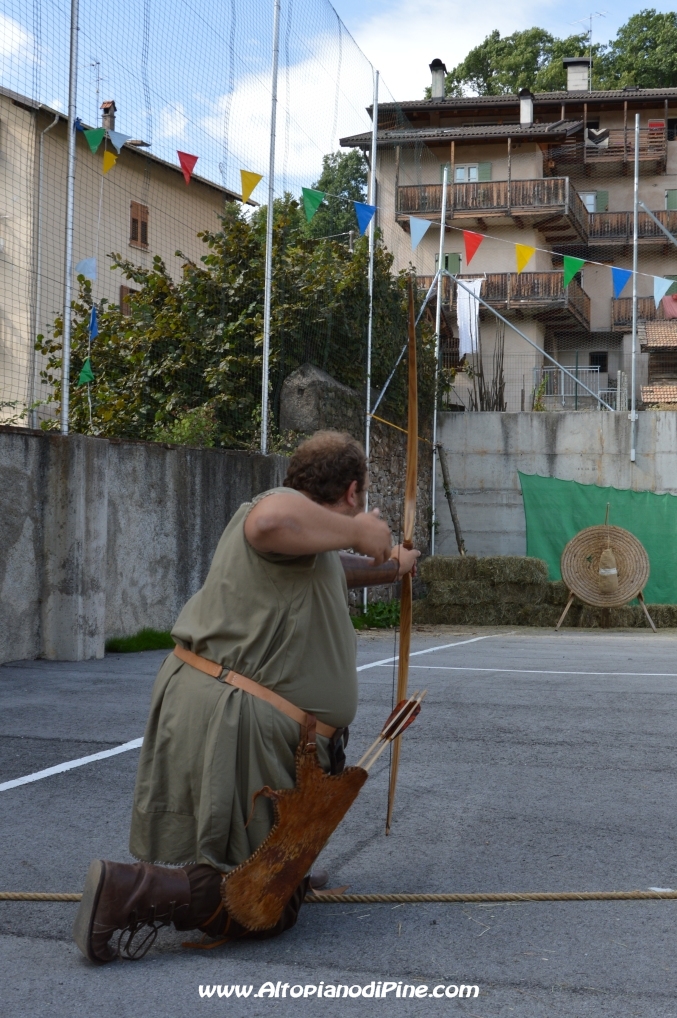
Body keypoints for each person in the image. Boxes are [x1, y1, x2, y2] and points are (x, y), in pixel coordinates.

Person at [73, 430, 419, 963]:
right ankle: (128, 891)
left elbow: (335, 568)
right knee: (260, 910)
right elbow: (269, 523)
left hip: (236, 708)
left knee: (270, 875)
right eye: (359, 498)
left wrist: (392, 564)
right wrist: (358, 529)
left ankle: (276, 868)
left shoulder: (309, 544)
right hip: (237, 712)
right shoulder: (276, 512)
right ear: (353, 490)